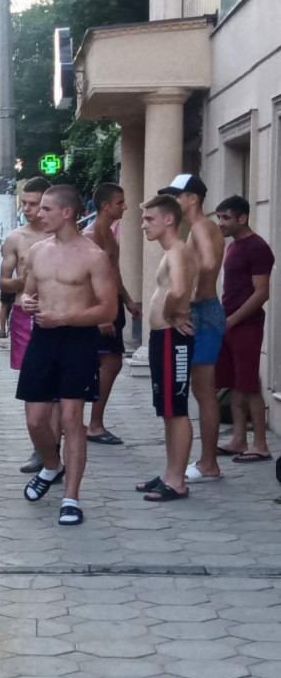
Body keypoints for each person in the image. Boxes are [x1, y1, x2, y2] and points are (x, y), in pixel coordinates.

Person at [16, 185, 118, 526]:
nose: (38, 214)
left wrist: (65, 318)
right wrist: (27, 303)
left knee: (73, 420)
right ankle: (51, 465)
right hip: (43, 339)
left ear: (67, 213)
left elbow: (108, 309)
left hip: (77, 340)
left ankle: (71, 497)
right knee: (35, 421)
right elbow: (26, 294)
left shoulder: (93, 256)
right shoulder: (38, 252)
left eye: (46, 209)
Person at [136, 194, 199, 502]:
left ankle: (177, 481)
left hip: (174, 340)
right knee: (168, 411)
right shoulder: (172, 250)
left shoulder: (177, 250)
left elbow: (179, 289)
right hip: (164, 338)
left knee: (177, 409)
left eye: (149, 219)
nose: (143, 225)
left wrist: (173, 313)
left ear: (168, 220)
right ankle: (169, 473)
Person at [170, 174, 227, 482]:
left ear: (192, 198)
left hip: (203, 313)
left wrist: (189, 293)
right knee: (201, 390)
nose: (174, 202)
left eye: (177, 196)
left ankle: (209, 463)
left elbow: (206, 264)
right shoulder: (200, 228)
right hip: (205, 312)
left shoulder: (202, 227)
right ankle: (207, 460)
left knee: (204, 392)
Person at [0, 177, 56, 473]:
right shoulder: (16, 238)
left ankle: (56, 446)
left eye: (35, 204)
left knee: (58, 387)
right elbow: (4, 281)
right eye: (25, 203)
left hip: (58, 316)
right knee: (32, 385)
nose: (28, 209)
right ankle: (40, 447)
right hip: (24, 315)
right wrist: (23, 282)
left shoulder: (61, 237)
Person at [215, 195, 274, 464]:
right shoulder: (233, 246)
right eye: (219, 217)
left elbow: (261, 293)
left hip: (246, 325)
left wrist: (234, 319)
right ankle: (239, 439)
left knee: (250, 384)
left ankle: (260, 444)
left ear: (242, 217)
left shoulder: (257, 247)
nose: (221, 223)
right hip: (228, 323)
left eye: (226, 217)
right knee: (235, 383)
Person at [84, 183, 142, 445]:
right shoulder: (91, 235)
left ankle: (90, 421)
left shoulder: (108, 232)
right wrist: (101, 315)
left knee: (108, 363)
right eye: (120, 202)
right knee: (107, 362)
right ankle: (92, 424)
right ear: (106, 206)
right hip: (100, 309)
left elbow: (113, 272)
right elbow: (88, 278)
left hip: (113, 304)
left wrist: (128, 299)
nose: (125, 206)